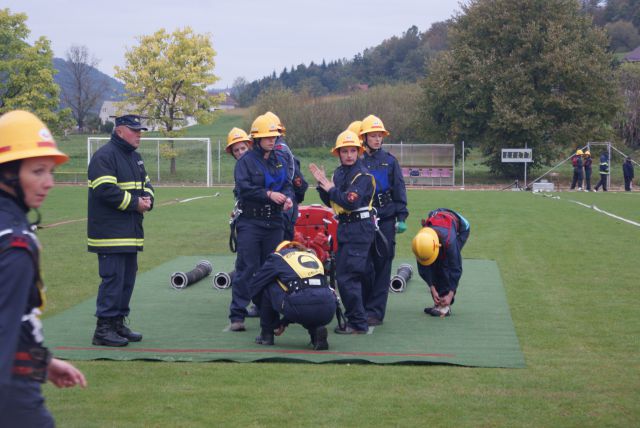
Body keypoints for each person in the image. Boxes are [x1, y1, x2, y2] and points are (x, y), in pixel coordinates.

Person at [0, 110, 87, 426]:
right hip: (13, 399)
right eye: (38, 171)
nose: (49, 182)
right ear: (7, 173)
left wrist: (44, 364)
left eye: (50, 171)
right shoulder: (15, 246)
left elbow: (16, 327)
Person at [88, 114, 154, 347]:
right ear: (119, 131)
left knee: (127, 280)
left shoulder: (135, 158)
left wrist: (148, 200)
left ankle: (117, 322)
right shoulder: (104, 156)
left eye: (140, 131)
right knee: (113, 280)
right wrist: (136, 203)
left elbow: (147, 185)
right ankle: (103, 329)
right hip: (109, 235)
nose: (139, 135)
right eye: (135, 130)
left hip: (130, 233)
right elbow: (104, 189)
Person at [228, 115, 294, 332]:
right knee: (247, 268)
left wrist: (287, 198)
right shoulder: (245, 162)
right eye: (267, 136)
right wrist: (268, 194)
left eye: (274, 136)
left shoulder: (280, 159)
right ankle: (237, 314)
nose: (271, 140)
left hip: (274, 222)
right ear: (256, 139)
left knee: (272, 269)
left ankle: (270, 315)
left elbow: (286, 185)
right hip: (251, 222)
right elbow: (245, 188)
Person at [310, 130, 376, 334]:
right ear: (338, 153)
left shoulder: (363, 176)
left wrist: (330, 188)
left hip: (359, 228)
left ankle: (357, 322)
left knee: (348, 277)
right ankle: (357, 317)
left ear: (359, 152)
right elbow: (333, 201)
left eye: (352, 151)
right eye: (344, 151)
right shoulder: (339, 173)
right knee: (349, 275)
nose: (349, 155)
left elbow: (350, 201)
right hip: (346, 227)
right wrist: (323, 187)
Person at [360, 114, 408, 326]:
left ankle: (376, 312)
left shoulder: (390, 162)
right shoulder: (357, 161)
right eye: (373, 135)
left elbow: (399, 188)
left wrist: (402, 216)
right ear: (364, 137)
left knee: (382, 265)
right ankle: (362, 306)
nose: (377, 139)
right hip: (362, 220)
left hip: (386, 218)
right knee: (363, 265)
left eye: (380, 135)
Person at [249, 241, 337, 350]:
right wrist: (284, 322)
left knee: (267, 285)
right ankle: (316, 333)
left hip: (302, 305)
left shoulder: (278, 257)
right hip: (328, 309)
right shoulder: (312, 256)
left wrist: (261, 307)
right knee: (310, 295)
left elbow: (256, 283)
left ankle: (266, 334)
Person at [412, 208, 470, 317]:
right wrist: (432, 288)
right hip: (438, 219)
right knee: (433, 263)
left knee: (445, 263)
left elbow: (456, 268)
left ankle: (445, 306)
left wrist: (450, 294)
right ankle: (438, 300)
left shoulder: (450, 243)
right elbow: (423, 268)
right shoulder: (420, 242)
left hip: (462, 228)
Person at [265, 111, 309, 241]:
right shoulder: (281, 148)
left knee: (280, 247)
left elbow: (286, 181)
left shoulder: (279, 151)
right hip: (286, 203)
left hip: (283, 205)